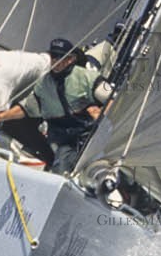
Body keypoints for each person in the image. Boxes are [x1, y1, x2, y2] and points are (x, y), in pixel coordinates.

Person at [34, 38, 108, 168]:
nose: (55, 61)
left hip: (92, 133)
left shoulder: (86, 77)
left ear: (71, 59)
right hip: (66, 140)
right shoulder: (42, 84)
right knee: (61, 169)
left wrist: (103, 117)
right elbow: (29, 107)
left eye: (60, 57)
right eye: (53, 56)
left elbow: (114, 101)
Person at [0, 46, 55, 163]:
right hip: (42, 63)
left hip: (45, 78)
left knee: (15, 122)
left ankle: (49, 157)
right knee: (13, 117)